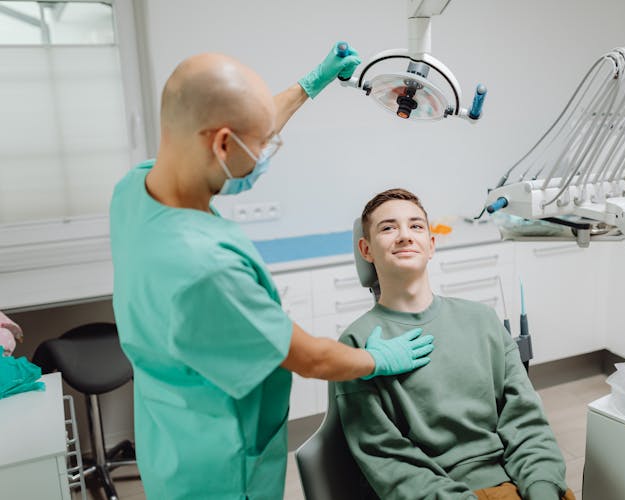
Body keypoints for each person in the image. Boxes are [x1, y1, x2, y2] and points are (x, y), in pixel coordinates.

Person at [109, 46, 434, 500]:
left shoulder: (133, 192)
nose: (264, 154)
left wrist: (309, 85)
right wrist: (380, 360)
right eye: (261, 145)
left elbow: (244, 124)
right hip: (221, 471)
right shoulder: (207, 270)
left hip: (169, 436)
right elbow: (312, 359)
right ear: (221, 144)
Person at [335, 188, 575, 500]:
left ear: (431, 244)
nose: (405, 236)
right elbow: (386, 458)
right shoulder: (358, 346)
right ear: (366, 250)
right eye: (388, 227)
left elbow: (527, 422)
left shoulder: (483, 321)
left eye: (416, 226)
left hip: (521, 483)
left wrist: (542, 487)